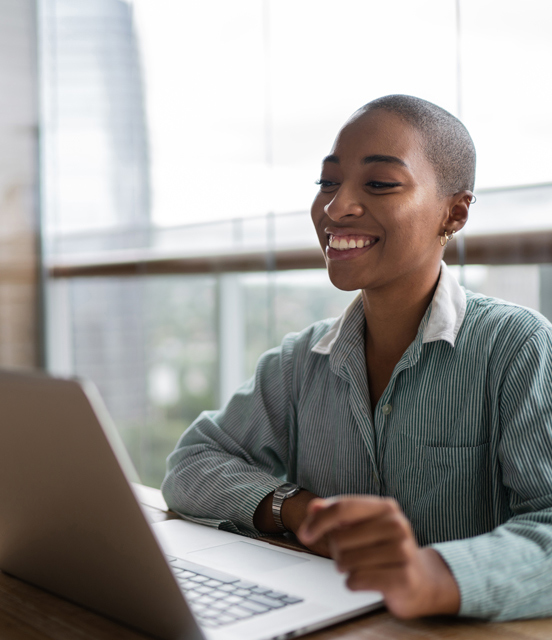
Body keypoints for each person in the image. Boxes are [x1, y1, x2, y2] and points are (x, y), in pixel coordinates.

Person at [162, 95, 552, 621]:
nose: (335, 207)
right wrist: (300, 512)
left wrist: (433, 575)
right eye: (327, 182)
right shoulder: (302, 361)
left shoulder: (515, 348)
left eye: (380, 184)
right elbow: (191, 465)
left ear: (454, 212)